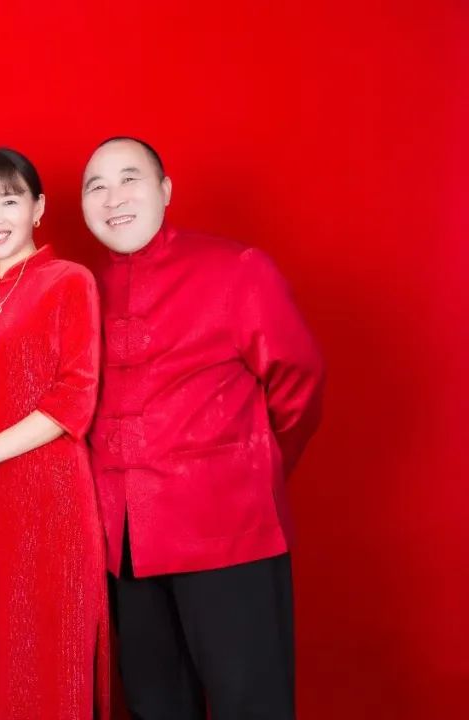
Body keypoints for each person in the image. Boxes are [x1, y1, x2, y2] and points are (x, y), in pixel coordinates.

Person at [83, 136, 326, 719]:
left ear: (165, 190)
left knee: (252, 705)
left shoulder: (236, 269)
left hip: (229, 533)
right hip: (126, 550)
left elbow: (299, 381)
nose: (114, 198)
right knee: (154, 707)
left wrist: (251, 468)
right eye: (96, 187)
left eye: (130, 179)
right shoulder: (81, 289)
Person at [0, 148, 109, 720]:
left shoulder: (69, 281)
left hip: (55, 500)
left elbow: (74, 399)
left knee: (54, 658)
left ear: (38, 208)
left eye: (10, 200)